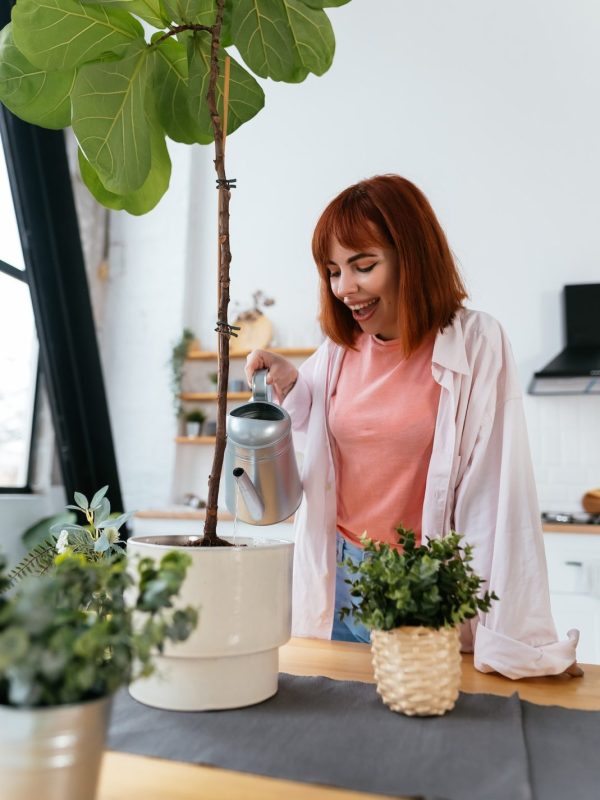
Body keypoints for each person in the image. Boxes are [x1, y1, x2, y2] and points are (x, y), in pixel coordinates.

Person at [245, 174, 581, 680]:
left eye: (364, 265)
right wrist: (293, 384)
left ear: (413, 258)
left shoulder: (475, 342)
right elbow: (319, 432)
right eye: (334, 271)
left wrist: (516, 638)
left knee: (427, 726)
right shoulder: (338, 351)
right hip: (340, 574)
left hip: (422, 586)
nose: (345, 288)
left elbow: (498, 491)